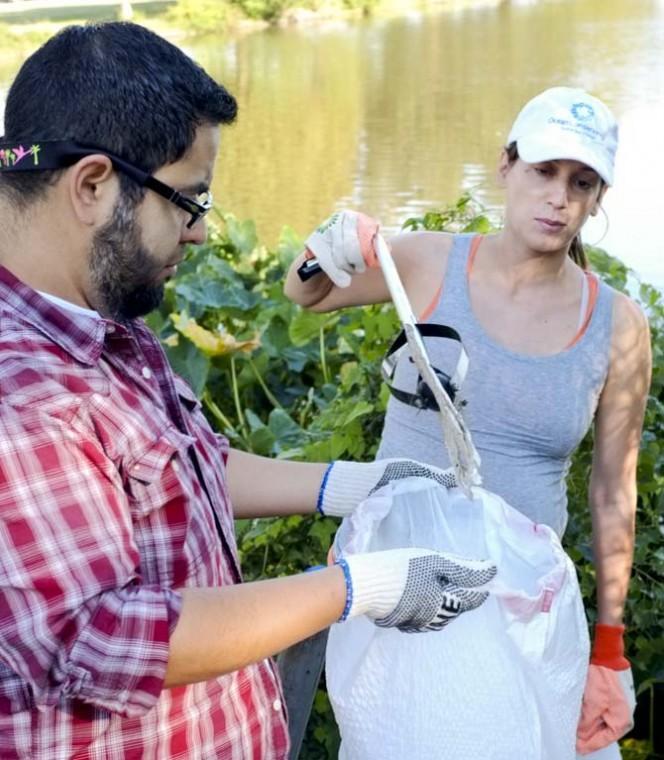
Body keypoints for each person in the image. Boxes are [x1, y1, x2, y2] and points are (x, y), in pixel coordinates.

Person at [0, 22, 498, 760]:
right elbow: (103, 638)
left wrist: (351, 485)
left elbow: (190, 469)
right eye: (189, 200)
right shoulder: (20, 391)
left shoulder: (100, 315)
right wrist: (357, 588)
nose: (200, 234)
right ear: (94, 185)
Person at [285, 87, 652, 757]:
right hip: (398, 597)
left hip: (522, 615)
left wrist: (609, 650)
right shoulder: (429, 262)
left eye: (582, 182)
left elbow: (611, 493)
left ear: (597, 198)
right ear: (505, 166)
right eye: (543, 171)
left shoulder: (618, 325)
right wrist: (326, 244)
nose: (559, 197)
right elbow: (305, 294)